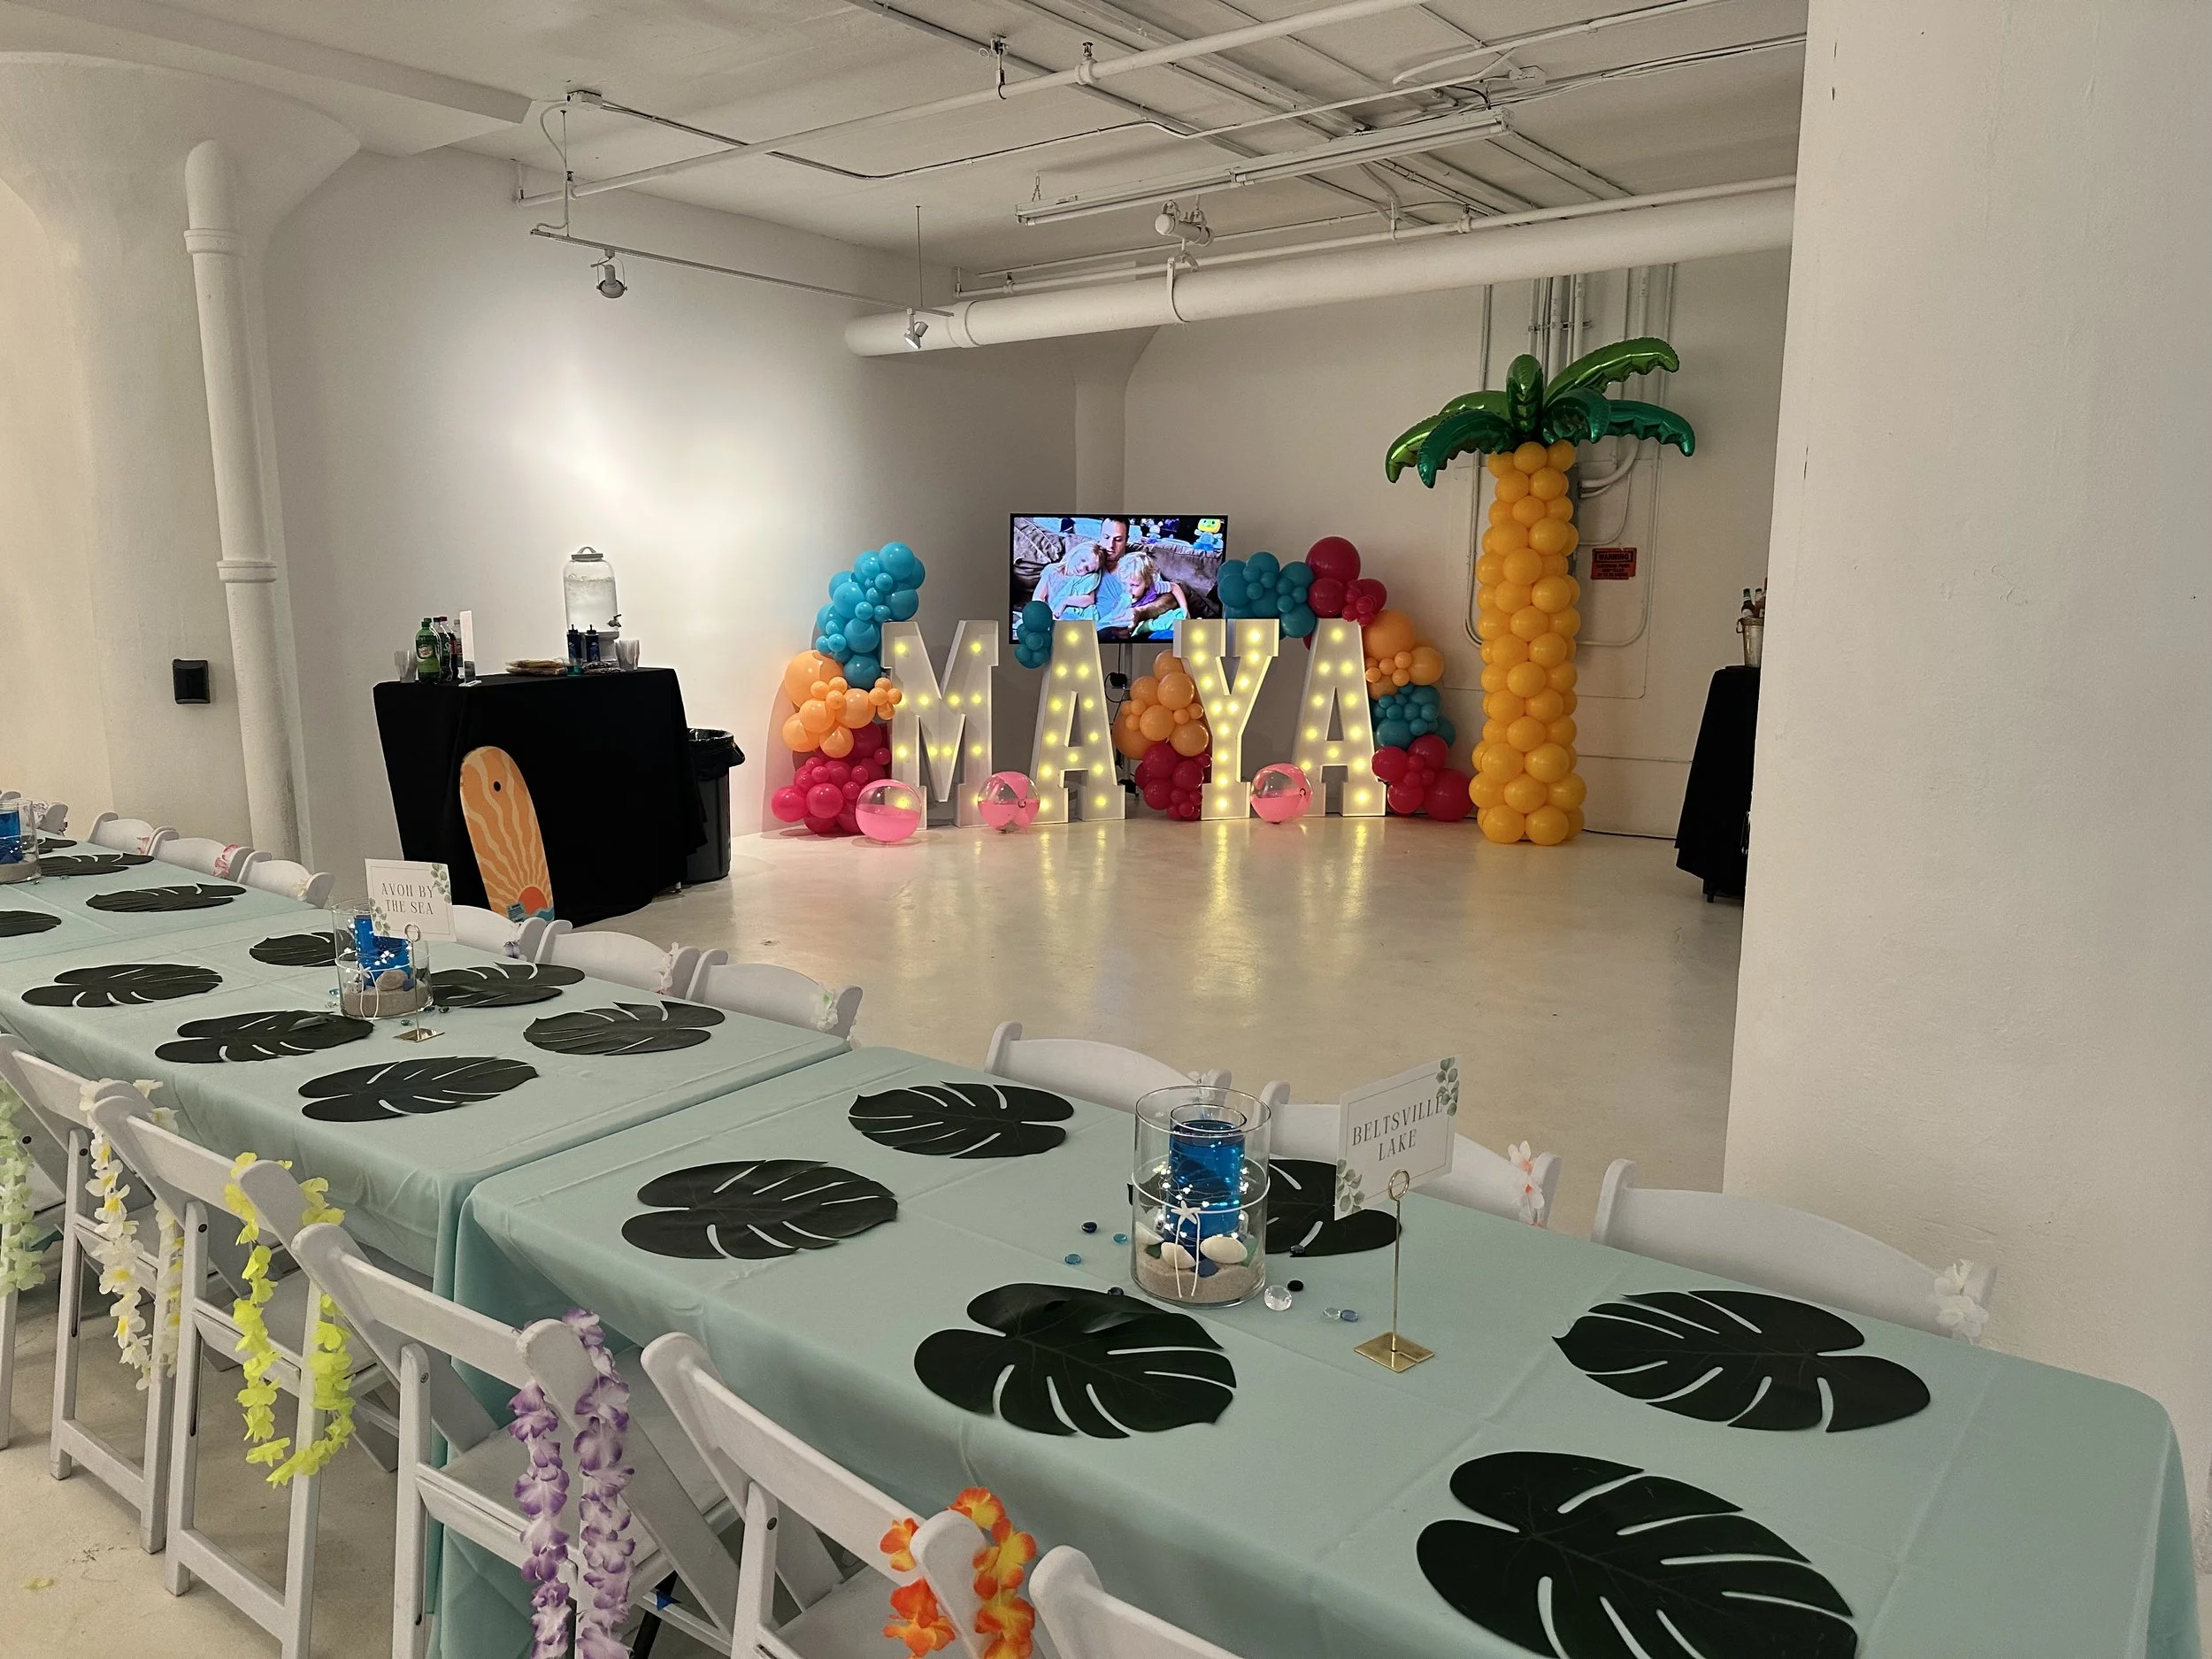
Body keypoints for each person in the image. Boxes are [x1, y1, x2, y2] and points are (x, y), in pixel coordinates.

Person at [1116, 550, 1189, 637]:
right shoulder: (1121, 597)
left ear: (1147, 582)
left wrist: (1185, 609)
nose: (1128, 589)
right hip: (1137, 627)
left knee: (1178, 615)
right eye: (1124, 584)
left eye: (1134, 585)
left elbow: (1174, 587)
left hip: (1156, 620)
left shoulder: (1153, 588)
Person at [1034, 541, 1102, 620]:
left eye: (1087, 569)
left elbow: (1090, 600)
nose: (1081, 568)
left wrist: (1065, 600)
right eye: (1082, 560)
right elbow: (1037, 598)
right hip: (1049, 614)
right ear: (1076, 551)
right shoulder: (1052, 570)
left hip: (1072, 615)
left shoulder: (1083, 580)